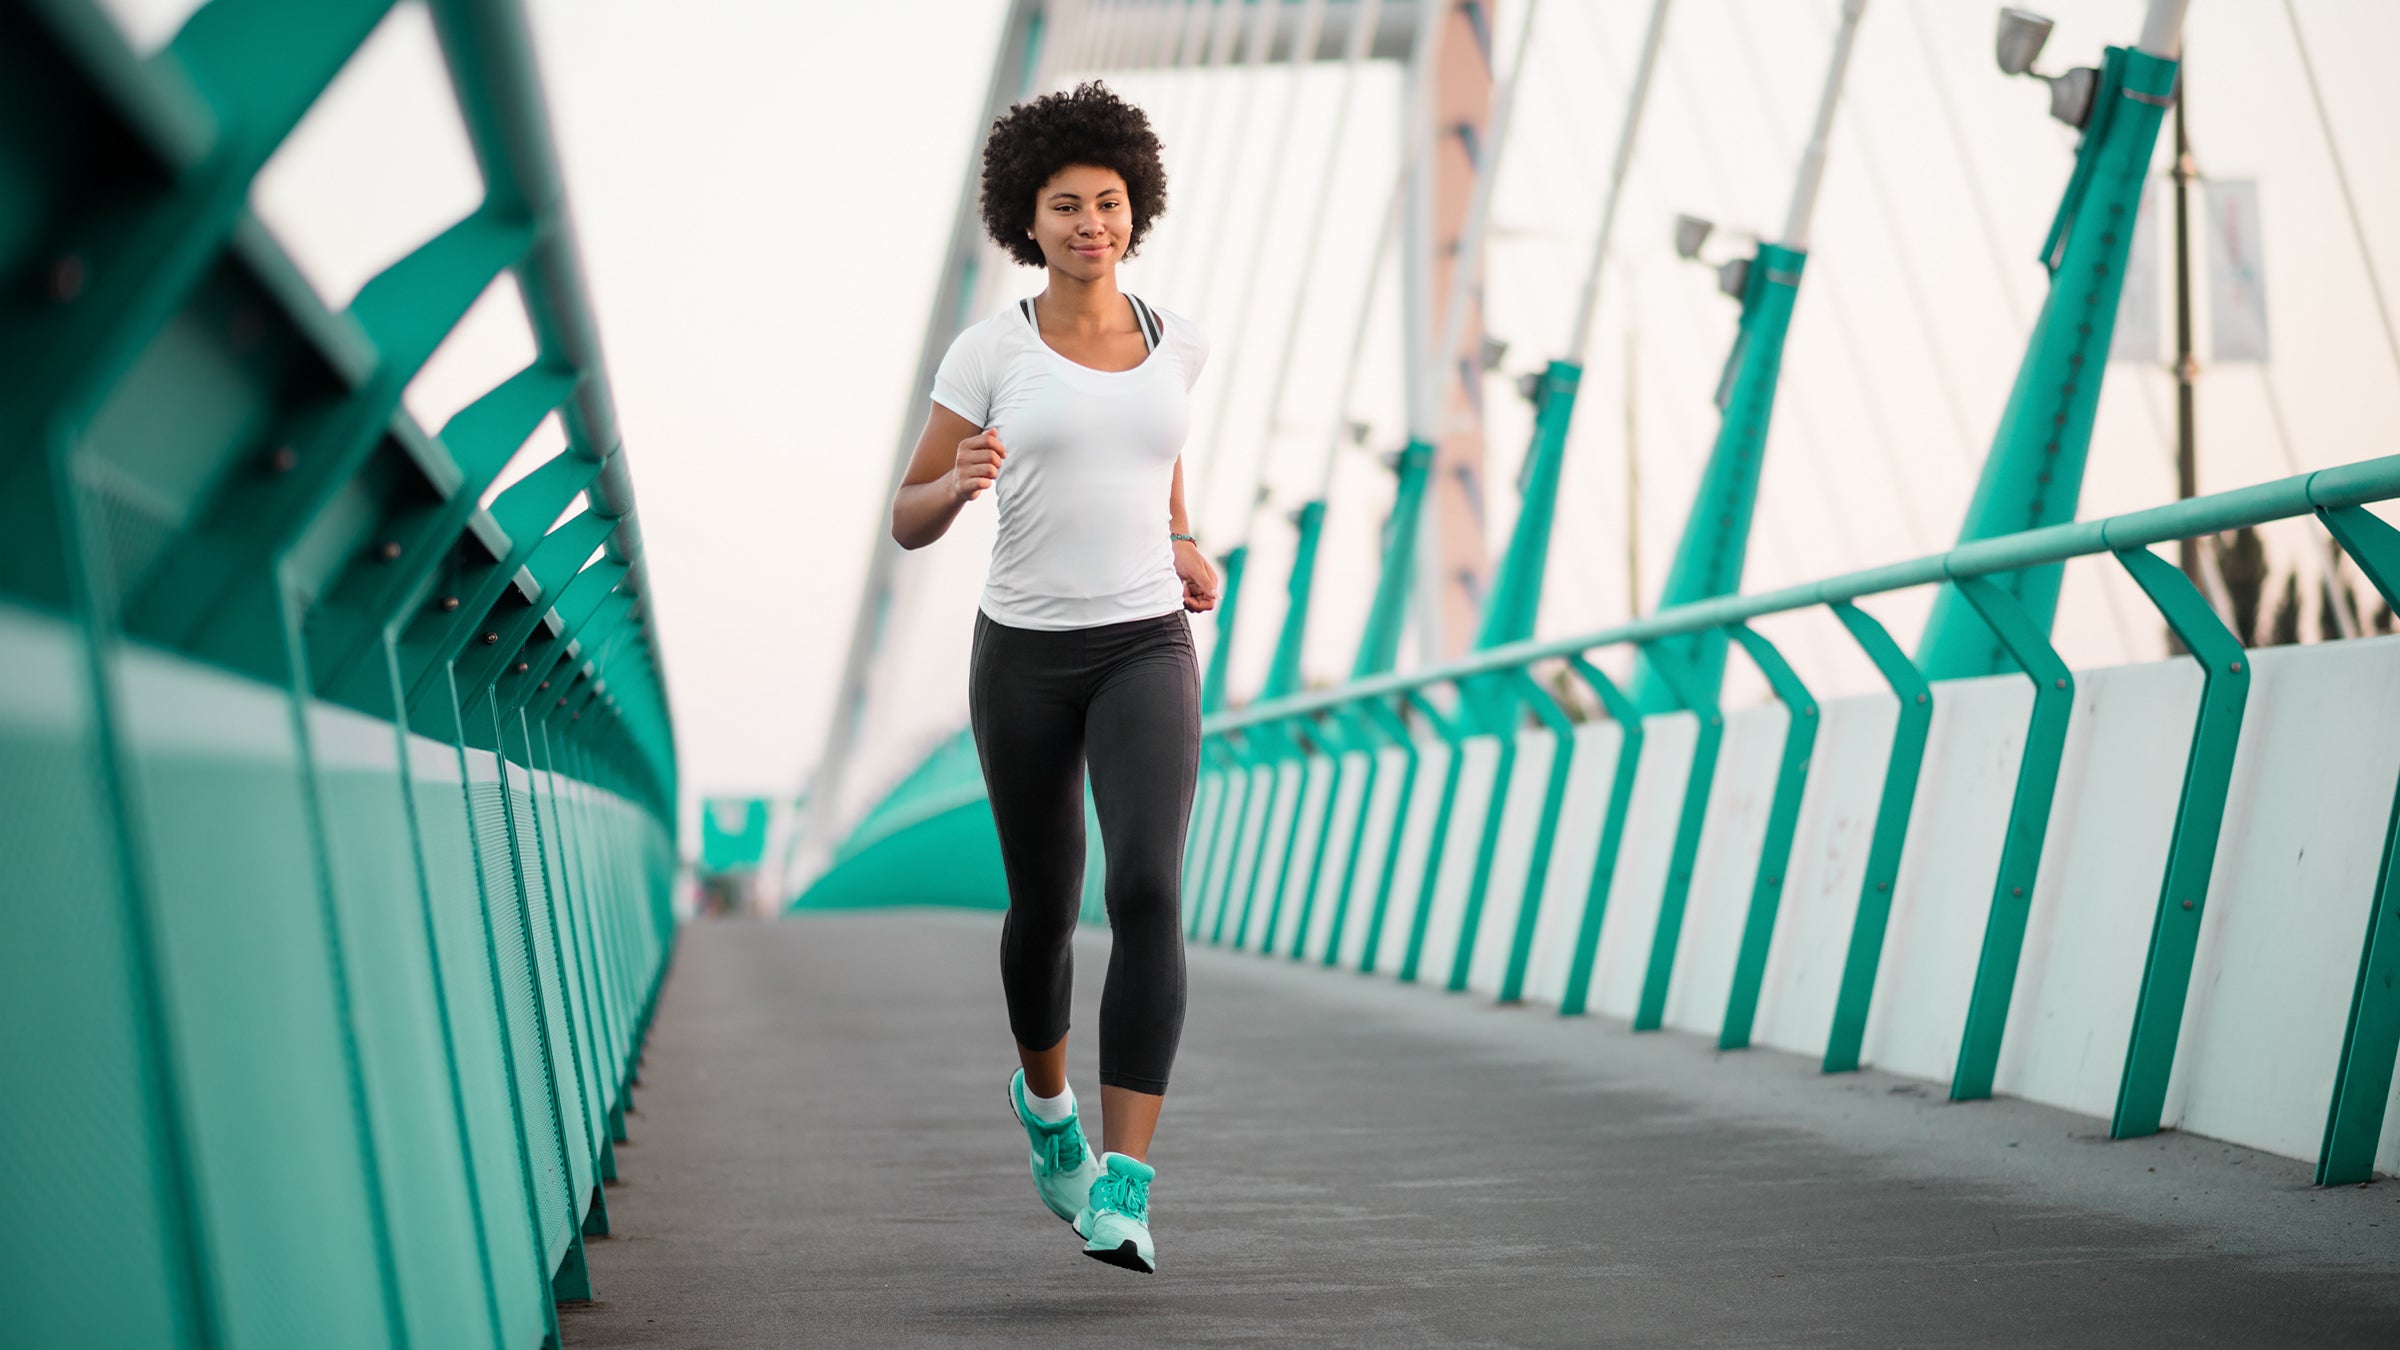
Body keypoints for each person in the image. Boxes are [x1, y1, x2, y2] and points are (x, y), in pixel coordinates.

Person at [888, 81, 1216, 1275]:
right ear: (1030, 219)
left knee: (1148, 891)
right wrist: (958, 476)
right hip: (1023, 653)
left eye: (1110, 202)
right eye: (1068, 205)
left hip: (1144, 644)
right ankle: (1047, 1109)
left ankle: (1124, 1184)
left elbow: (1159, 456)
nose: (1092, 222)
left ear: (1139, 208)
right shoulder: (988, 351)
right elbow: (907, 518)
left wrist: (1183, 543)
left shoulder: (1178, 339)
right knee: (1045, 906)